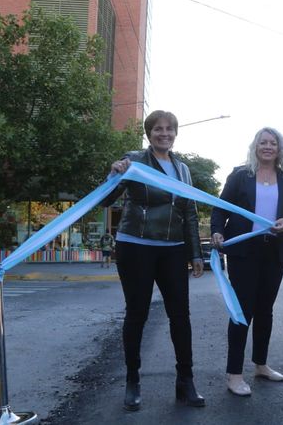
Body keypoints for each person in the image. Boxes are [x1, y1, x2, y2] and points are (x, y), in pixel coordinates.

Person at [102, 110, 206, 410]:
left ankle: (185, 381)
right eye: (158, 129)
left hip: (173, 248)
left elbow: (189, 211)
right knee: (137, 315)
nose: (165, 134)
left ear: (175, 133)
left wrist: (195, 252)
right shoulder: (133, 160)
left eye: (170, 129)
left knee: (181, 316)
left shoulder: (183, 169)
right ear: (149, 134)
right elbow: (106, 200)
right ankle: (132, 381)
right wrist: (113, 174)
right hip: (136, 245)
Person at [210, 127, 283, 397]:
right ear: (255, 146)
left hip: (273, 252)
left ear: (279, 148)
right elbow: (220, 207)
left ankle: (261, 364)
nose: (268, 146)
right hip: (243, 252)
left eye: (273, 143)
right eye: (263, 142)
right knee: (242, 312)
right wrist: (217, 230)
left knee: (265, 310)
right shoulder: (240, 175)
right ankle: (234, 374)